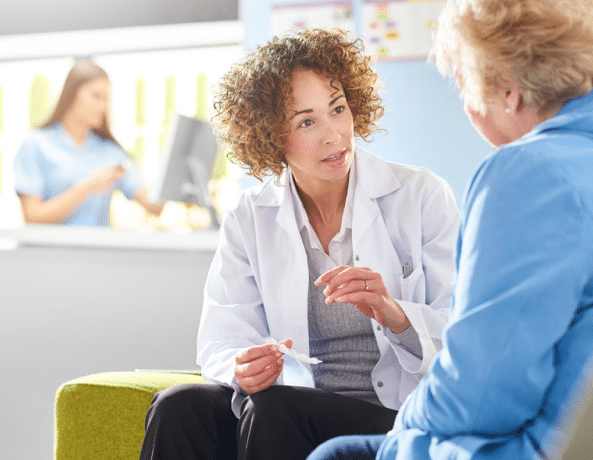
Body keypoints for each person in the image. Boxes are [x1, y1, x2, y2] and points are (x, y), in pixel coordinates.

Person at [307, 1, 593, 459]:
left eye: (463, 83)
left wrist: (403, 429)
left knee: (337, 455)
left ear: (508, 92)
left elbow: (480, 394)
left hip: (546, 445)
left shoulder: (527, 174)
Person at [139, 28, 459, 460]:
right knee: (178, 406)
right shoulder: (250, 215)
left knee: (275, 408)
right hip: (284, 408)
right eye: (306, 122)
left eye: (338, 109)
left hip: (391, 415)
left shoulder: (421, 196)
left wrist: (395, 314)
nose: (334, 135)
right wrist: (244, 367)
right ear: (270, 135)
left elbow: (463, 335)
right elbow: (222, 337)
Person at [14, 59, 163, 226]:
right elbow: (32, 217)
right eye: (96, 96)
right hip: (53, 244)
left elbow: (154, 207)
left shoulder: (111, 152)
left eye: (106, 99)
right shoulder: (36, 145)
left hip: (98, 243)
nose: (103, 107)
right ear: (71, 95)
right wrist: (88, 187)